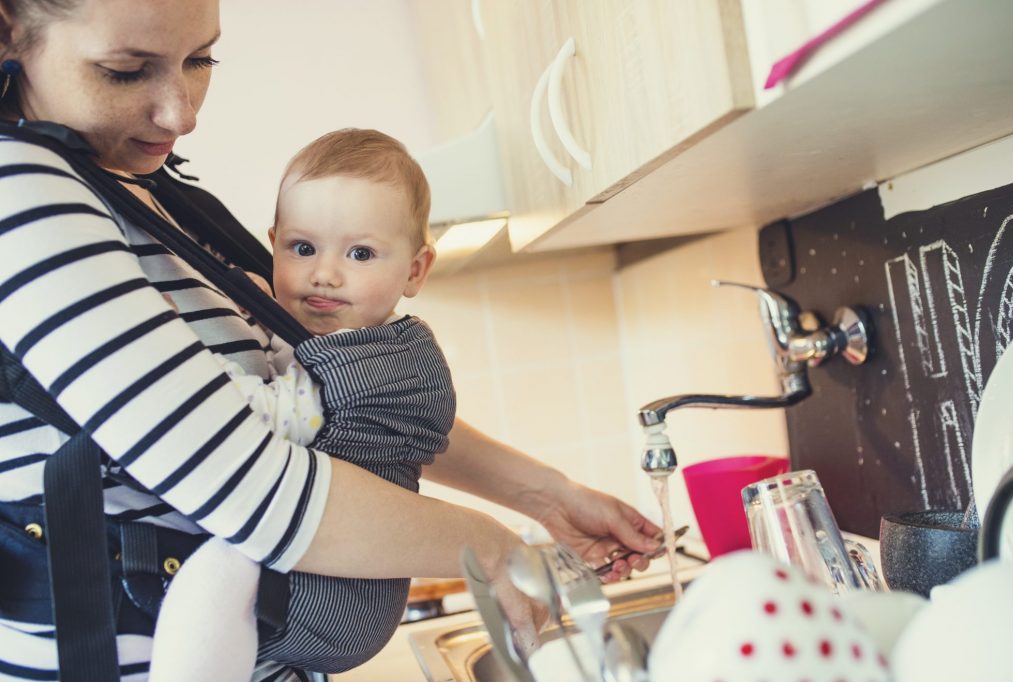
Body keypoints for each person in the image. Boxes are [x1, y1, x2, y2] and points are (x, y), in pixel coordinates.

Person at [0, 1, 661, 679]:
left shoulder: (145, 191)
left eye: (200, 59)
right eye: (127, 70)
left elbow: (340, 401)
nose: (182, 113)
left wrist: (545, 496)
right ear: (7, 32)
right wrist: (495, 551)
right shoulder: (20, 196)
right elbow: (251, 486)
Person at [149, 127, 457, 679]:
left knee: (220, 565)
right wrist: (258, 311)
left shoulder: (380, 361)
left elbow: (262, 415)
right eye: (302, 248)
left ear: (415, 271)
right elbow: (287, 360)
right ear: (273, 243)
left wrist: (175, 353)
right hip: (337, 576)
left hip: (339, 598)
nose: (324, 273)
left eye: (360, 253)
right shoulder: (327, 335)